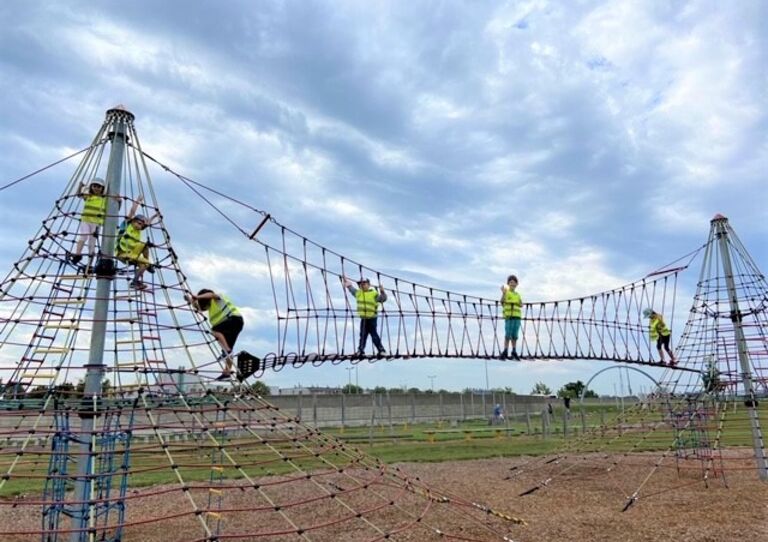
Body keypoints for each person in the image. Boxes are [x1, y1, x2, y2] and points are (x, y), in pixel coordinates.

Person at [185, 289, 245, 381]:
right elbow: (200, 308)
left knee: (214, 331)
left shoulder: (216, 297)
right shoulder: (210, 305)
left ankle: (227, 352)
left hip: (233, 320)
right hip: (233, 324)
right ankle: (227, 373)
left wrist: (197, 297)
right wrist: (190, 300)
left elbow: (211, 294)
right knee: (228, 348)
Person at [116, 196, 159, 290]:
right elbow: (132, 211)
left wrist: (154, 216)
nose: (140, 226)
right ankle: (148, 264)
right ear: (133, 221)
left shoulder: (138, 231)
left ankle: (135, 282)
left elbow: (147, 223)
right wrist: (138, 201)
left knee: (144, 261)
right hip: (122, 253)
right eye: (138, 223)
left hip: (131, 253)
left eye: (141, 225)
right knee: (146, 259)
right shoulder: (127, 225)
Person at [68, 178, 112, 265]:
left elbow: (114, 206)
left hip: (96, 222)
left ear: (102, 188)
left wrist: (119, 201)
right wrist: (80, 186)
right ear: (91, 187)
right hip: (86, 220)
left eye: (99, 187)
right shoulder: (88, 196)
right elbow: (78, 195)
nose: (96, 188)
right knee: (83, 236)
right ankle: (77, 254)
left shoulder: (104, 199)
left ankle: (90, 263)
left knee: (92, 242)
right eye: (94, 186)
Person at [343, 276, 387, 357]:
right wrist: (347, 282)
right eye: (360, 284)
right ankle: (360, 351)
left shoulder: (374, 294)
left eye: (364, 283)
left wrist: (382, 291)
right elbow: (351, 289)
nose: (362, 285)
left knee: (374, 335)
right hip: (364, 319)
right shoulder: (358, 293)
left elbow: (383, 299)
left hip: (372, 318)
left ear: (369, 285)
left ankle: (381, 350)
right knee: (363, 335)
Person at [500, 274, 522, 360]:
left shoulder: (517, 294)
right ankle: (505, 350)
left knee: (515, 335)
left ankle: (514, 351)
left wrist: (517, 302)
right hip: (509, 316)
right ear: (508, 283)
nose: (512, 284)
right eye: (511, 282)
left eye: (514, 282)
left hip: (517, 317)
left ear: (516, 284)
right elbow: (502, 302)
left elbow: (521, 304)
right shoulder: (506, 292)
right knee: (507, 334)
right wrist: (503, 293)